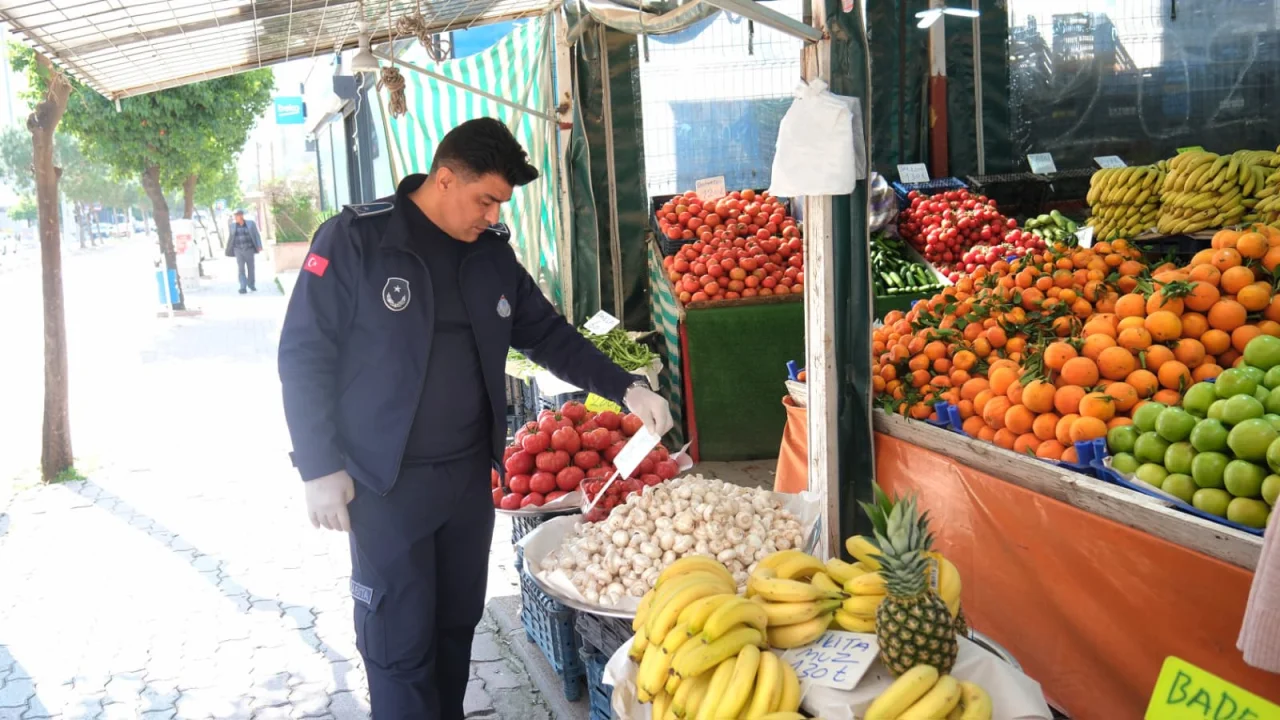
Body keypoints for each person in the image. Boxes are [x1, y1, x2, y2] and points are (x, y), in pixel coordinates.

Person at [278, 117, 673, 719]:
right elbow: (303, 354)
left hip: (467, 479)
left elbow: (548, 336)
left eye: (500, 204)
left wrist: (626, 389)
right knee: (398, 639)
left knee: (455, 626)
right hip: (385, 483)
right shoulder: (356, 240)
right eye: (484, 199)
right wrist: (318, 464)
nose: (492, 216)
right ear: (443, 179)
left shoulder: (491, 256)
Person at [227, 209, 263, 293]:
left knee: (251, 268)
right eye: (235, 216)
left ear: (241, 216)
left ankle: (251, 284)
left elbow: (256, 235)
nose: (235, 218)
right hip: (238, 250)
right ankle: (243, 287)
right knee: (241, 269)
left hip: (249, 249)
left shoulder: (251, 224)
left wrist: (259, 245)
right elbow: (231, 238)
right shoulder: (232, 226)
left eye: (237, 216)